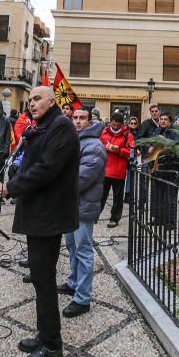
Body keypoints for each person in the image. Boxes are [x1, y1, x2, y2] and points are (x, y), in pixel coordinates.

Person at [0, 86, 79, 357]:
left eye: (38, 98)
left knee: (44, 279)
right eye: (30, 100)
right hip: (38, 211)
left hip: (48, 214)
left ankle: (53, 347)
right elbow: (30, 163)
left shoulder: (61, 126)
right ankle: (44, 334)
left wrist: (10, 188)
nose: (32, 103)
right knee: (40, 279)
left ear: (52, 101)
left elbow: (46, 169)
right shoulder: (40, 126)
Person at [60, 105, 105, 318]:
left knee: (84, 249)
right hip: (70, 204)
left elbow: (82, 178)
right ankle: (74, 282)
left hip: (83, 206)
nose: (77, 121)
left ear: (90, 121)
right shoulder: (75, 141)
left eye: (82, 118)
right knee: (71, 246)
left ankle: (83, 298)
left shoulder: (94, 146)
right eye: (75, 117)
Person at [99, 112, 133, 228]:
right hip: (104, 170)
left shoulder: (127, 135)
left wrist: (118, 150)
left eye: (117, 126)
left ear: (121, 124)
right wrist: (104, 148)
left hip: (119, 171)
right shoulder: (103, 132)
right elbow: (96, 146)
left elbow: (132, 153)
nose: (115, 128)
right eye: (113, 125)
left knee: (117, 197)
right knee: (100, 195)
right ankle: (94, 216)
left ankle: (114, 218)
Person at [150, 112, 179, 229]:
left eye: (165, 119)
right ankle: (158, 218)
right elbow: (149, 145)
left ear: (170, 121)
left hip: (171, 168)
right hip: (158, 168)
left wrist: (165, 142)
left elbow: (178, 148)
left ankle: (171, 221)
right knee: (158, 195)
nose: (162, 121)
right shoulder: (157, 131)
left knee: (170, 196)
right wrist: (152, 146)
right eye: (161, 119)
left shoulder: (175, 133)